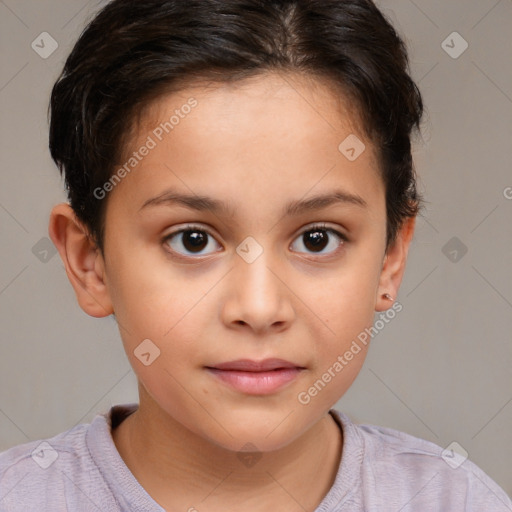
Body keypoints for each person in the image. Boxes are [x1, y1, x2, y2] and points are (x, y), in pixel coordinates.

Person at [0, 0, 510, 510]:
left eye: (317, 238)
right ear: (90, 261)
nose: (261, 308)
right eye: (193, 239)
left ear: (390, 257)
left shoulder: (455, 500)